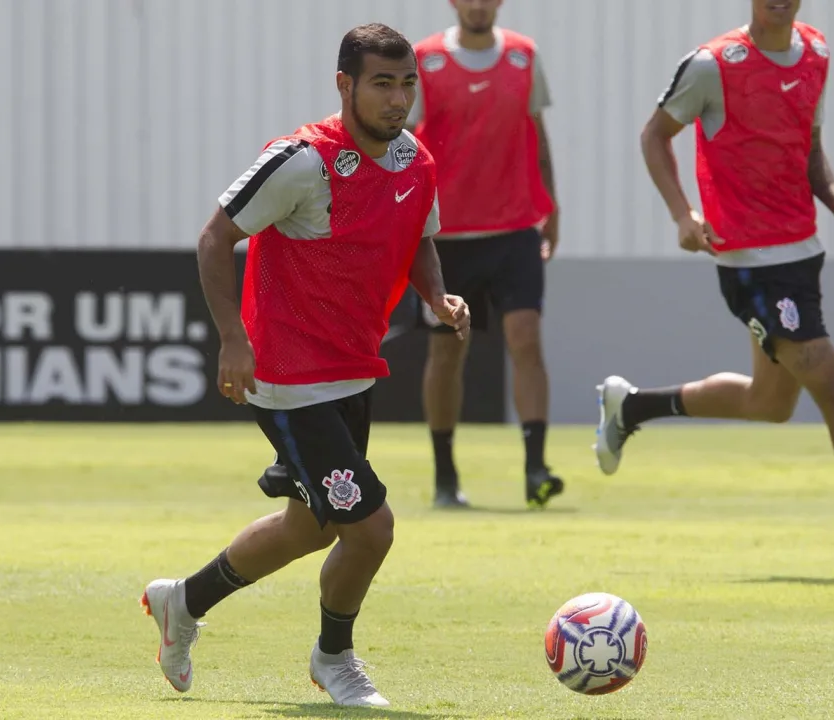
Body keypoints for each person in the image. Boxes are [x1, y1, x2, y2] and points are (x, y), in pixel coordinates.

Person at [139, 23, 471, 707]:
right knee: (370, 531)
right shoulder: (303, 161)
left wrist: (436, 294)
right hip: (289, 381)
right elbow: (215, 237)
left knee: (308, 528)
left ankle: (183, 601)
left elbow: (420, 240)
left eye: (407, 83)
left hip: (352, 371)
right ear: (345, 85)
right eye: (382, 83)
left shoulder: (416, 161)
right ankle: (334, 657)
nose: (398, 98)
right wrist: (233, 339)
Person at [595, 0, 834, 579]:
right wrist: (682, 215)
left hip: (802, 253)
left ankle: (632, 405)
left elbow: (809, 151)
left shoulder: (815, 51)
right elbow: (653, 136)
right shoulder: (713, 64)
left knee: (769, 403)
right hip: (750, 262)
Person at [409, 0, 561, 509]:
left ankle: (536, 469)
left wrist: (551, 205)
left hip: (515, 227)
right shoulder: (425, 59)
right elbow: (402, 144)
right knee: (447, 352)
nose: (477, 4)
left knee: (527, 341)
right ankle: (445, 476)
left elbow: (537, 134)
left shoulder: (523, 56)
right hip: (445, 236)